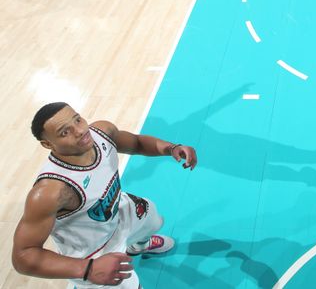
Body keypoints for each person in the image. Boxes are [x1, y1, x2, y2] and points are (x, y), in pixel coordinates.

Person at [12, 102, 197, 288]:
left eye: (77, 120)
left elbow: (137, 143)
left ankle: (138, 247)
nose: (79, 131)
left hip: (118, 210)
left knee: (154, 219)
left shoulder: (102, 132)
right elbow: (23, 256)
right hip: (93, 252)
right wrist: (87, 268)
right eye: (64, 132)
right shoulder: (50, 192)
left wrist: (171, 148)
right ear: (47, 144)